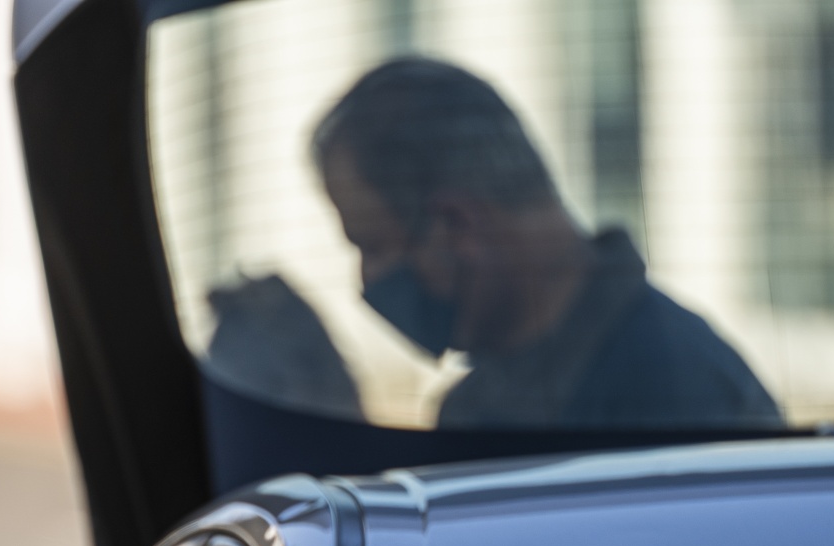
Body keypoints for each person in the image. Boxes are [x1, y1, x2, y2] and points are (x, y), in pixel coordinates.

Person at [313, 56, 783, 430]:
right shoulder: (476, 408)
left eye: (373, 247)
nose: (366, 278)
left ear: (458, 224)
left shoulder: (676, 389)